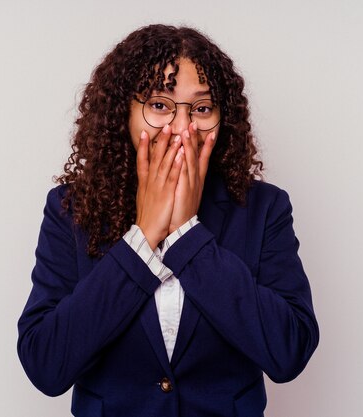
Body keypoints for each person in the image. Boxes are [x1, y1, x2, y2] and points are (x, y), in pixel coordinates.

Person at [17, 24, 319, 417]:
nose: (182, 127)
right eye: (160, 105)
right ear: (122, 113)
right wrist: (142, 239)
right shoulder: (70, 210)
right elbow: (46, 364)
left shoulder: (264, 208)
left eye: (202, 108)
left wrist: (186, 236)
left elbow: (288, 351)